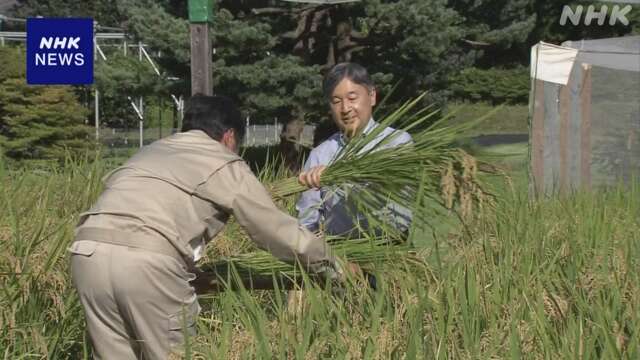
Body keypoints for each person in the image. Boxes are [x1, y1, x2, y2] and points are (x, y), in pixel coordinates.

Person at [69, 95, 340, 359]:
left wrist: (182, 269)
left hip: (87, 256)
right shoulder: (222, 159)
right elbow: (275, 230)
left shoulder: (151, 151)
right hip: (147, 263)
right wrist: (332, 264)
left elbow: (144, 218)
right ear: (229, 137)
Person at [296, 62, 412, 237]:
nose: (345, 109)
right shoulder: (319, 155)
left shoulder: (397, 142)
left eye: (352, 98)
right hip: (339, 255)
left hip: (391, 249)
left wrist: (335, 175)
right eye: (336, 101)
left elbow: (389, 181)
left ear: (372, 96)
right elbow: (307, 220)